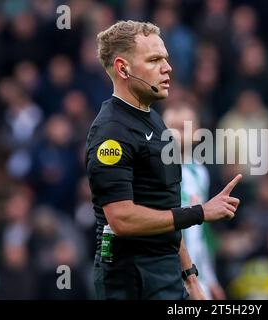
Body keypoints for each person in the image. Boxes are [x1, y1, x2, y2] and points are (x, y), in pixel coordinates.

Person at [86, 21, 241, 300]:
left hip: (167, 273)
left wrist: (192, 279)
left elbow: (165, 207)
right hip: (130, 279)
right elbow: (121, 218)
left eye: (166, 59)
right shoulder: (111, 132)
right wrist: (200, 212)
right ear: (123, 68)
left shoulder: (154, 120)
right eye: (155, 60)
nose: (167, 68)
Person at [163, 105, 226, 300]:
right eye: (170, 127)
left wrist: (211, 278)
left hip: (196, 274)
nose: (175, 134)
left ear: (198, 133)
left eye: (182, 127)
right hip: (167, 272)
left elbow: (202, 232)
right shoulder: (158, 171)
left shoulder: (200, 172)